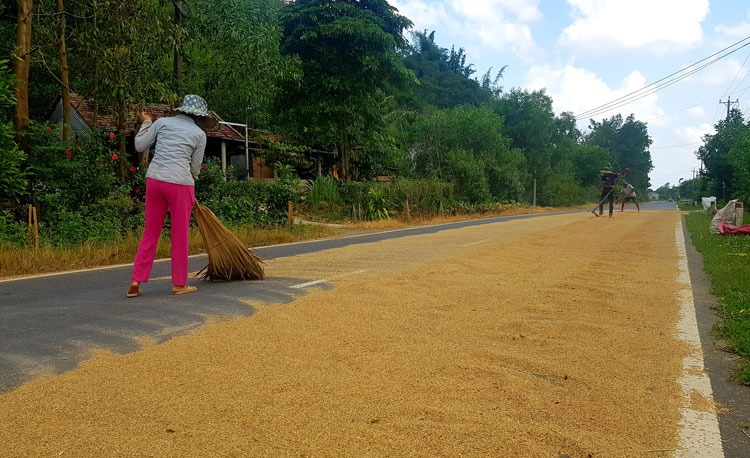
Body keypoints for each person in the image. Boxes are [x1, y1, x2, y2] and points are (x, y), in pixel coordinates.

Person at [127, 95, 208, 297]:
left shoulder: (162, 123)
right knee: (180, 235)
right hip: (181, 184)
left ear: (180, 110)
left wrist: (146, 123)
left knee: (150, 232)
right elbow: (195, 167)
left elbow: (139, 146)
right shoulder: (199, 134)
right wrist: (191, 180)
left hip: (155, 180)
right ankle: (179, 284)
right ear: (198, 117)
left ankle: (136, 280)